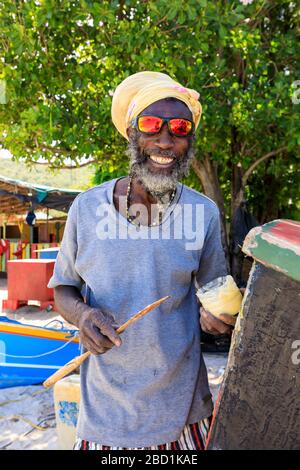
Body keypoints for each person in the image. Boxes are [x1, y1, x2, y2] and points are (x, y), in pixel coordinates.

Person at [48, 71, 237, 451]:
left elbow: (218, 298)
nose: (165, 140)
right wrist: (84, 316)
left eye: (180, 128)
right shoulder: (87, 209)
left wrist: (221, 322)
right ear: (132, 134)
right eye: (151, 125)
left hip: (183, 413)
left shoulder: (204, 213)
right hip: (106, 414)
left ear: (190, 140)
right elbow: (63, 288)